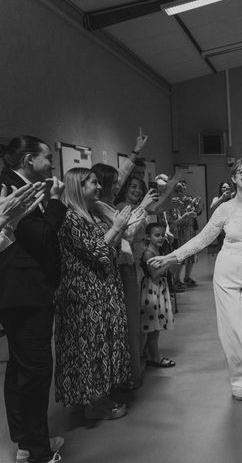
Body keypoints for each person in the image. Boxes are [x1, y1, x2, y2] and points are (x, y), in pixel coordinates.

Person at [149, 159, 242, 401]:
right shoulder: (224, 209)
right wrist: (172, 257)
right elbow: (202, 239)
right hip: (226, 274)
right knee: (231, 330)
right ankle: (239, 379)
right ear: (233, 177)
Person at [0, 136, 66, 463]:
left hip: (23, 292)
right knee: (36, 371)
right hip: (24, 293)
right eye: (46, 158)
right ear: (28, 161)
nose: (52, 164)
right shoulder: (13, 189)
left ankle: (26, 441)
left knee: (20, 370)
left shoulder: (22, 184)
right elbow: (41, 235)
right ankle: (39, 450)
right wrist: (56, 201)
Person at [55, 167, 139, 420]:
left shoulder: (93, 214)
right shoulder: (71, 218)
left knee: (102, 344)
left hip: (103, 289)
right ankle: (94, 399)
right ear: (78, 187)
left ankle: (95, 394)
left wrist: (117, 227)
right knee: (88, 348)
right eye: (93, 183)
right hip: (84, 295)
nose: (99, 186)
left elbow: (113, 251)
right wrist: (117, 228)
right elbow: (97, 251)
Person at [92, 164, 154, 389]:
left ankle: (132, 370)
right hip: (119, 267)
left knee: (131, 323)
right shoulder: (100, 205)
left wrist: (135, 153)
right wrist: (144, 208)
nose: (120, 184)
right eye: (115, 181)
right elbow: (126, 231)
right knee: (127, 324)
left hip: (127, 264)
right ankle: (129, 373)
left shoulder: (106, 203)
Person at [140, 223, 175, 368]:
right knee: (153, 329)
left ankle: (149, 354)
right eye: (157, 235)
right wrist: (169, 262)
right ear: (148, 237)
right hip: (151, 289)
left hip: (158, 288)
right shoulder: (149, 253)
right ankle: (155, 357)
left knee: (155, 327)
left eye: (162, 234)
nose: (161, 237)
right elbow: (154, 274)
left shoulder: (158, 250)